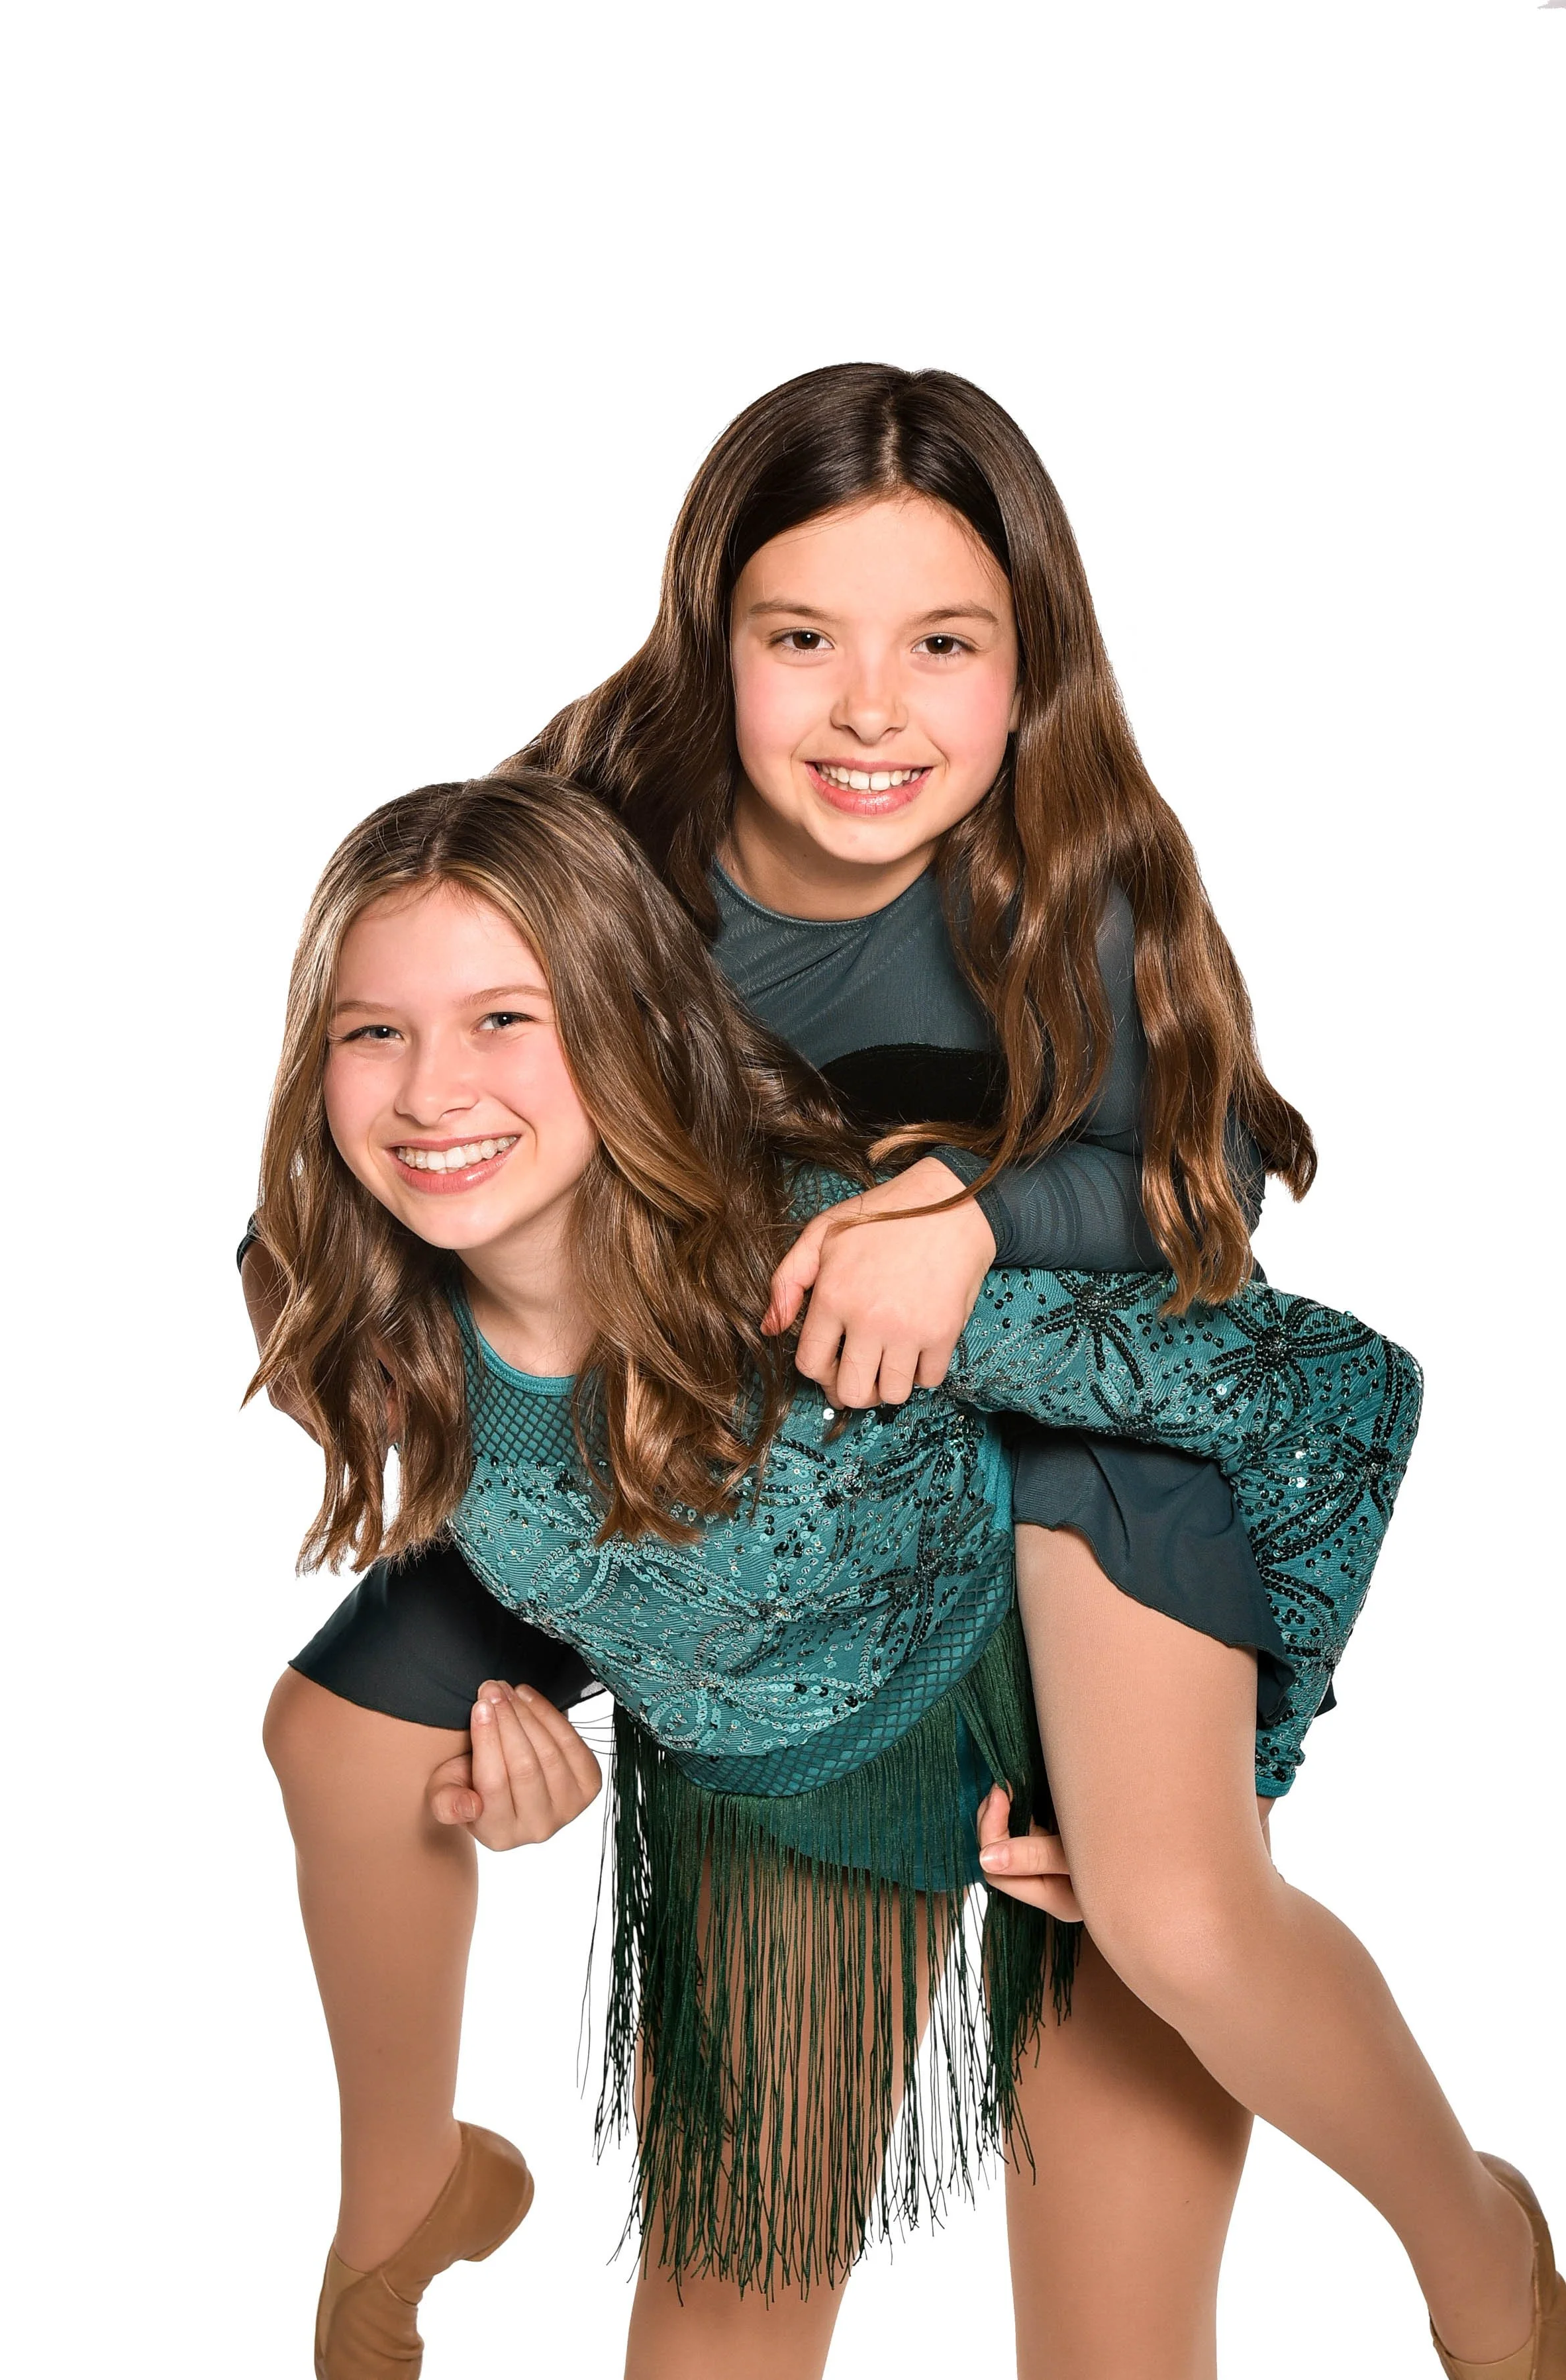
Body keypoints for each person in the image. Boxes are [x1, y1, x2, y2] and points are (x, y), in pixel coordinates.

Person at [255, 772, 1558, 2380]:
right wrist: (520, 1751)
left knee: (1132, 2239)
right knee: (711, 2341)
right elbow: (567, 1549)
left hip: (1057, 1667)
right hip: (803, 1766)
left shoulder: (807, 1278)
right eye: (372, 1032)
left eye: (505, 1019)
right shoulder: (367, 1306)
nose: (432, 1089)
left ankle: (1479, 2243)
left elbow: (1323, 1398)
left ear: (630, 1028)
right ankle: (405, 2193)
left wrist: (1222, 1777)